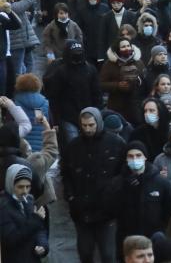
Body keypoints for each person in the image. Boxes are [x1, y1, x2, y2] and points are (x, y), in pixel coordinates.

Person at [62, 107, 126, 263]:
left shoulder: (116, 143)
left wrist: (113, 194)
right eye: (84, 126)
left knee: (107, 254)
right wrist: (71, 198)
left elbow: (122, 173)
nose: (88, 129)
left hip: (107, 210)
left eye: (91, 125)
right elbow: (66, 174)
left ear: (98, 123)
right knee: (85, 252)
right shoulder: (74, 146)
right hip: (82, 209)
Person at [0, 164, 48, 262]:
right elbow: (11, 239)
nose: (25, 191)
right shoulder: (3, 207)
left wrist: (42, 244)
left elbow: (39, 229)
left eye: (28, 186)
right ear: (11, 184)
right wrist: (36, 220)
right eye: (20, 187)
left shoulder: (29, 200)